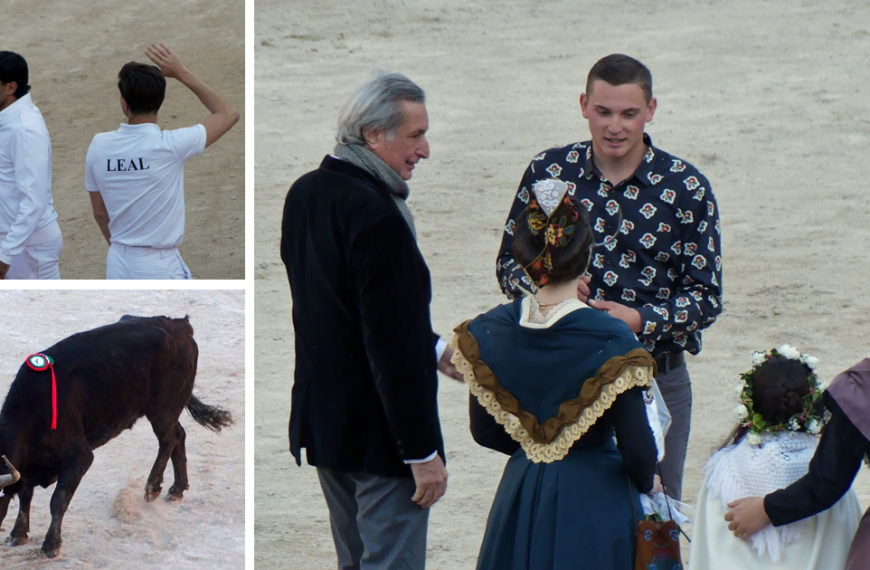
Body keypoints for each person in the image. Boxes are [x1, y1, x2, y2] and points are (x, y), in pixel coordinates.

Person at [495, 53, 722, 499]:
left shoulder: (686, 187)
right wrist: (546, 285)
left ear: (650, 111)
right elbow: (509, 265)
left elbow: (706, 297)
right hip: (562, 377)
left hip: (656, 378)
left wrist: (639, 320)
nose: (614, 126)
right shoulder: (550, 175)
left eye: (628, 114)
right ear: (584, 105)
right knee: (566, 513)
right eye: (603, 112)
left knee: (654, 520)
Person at [280, 71, 457, 569]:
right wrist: (421, 454)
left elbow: (341, 307)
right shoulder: (379, 216)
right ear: (373, 135)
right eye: (416, 135)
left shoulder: (305, 193)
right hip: (383, 439)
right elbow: (390, 345)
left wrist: (432, 345)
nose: (425, 150)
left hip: (327, 426)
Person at [452, 178, 658, 569]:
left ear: (525, 260)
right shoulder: (613, 338)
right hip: (595, 500)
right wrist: (648, 481)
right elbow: (638, 449)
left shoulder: (488, 332)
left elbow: (485, 432)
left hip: (522, 491)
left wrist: (537, 453)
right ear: (587, 254)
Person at [690, 346, 861, 569]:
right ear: (810, 405)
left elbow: (707, 549)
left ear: (750, 403)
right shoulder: (832, 473)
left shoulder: (722, 474)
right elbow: (842, 543)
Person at [85, 42, 239, 279]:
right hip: (159, 265)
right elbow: (228, 113)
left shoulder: (98, 145)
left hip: (117, 261)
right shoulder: (171, 145)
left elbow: (100, 214)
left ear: (124, 103)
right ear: (159, 102)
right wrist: (180, 72)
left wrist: (123, 251)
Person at [0, 51, 62, 279]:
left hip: (27, 248)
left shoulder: (25, 130)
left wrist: (5, 255)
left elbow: (34, 201)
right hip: (17, 241)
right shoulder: (7, 118)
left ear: (10, 88)